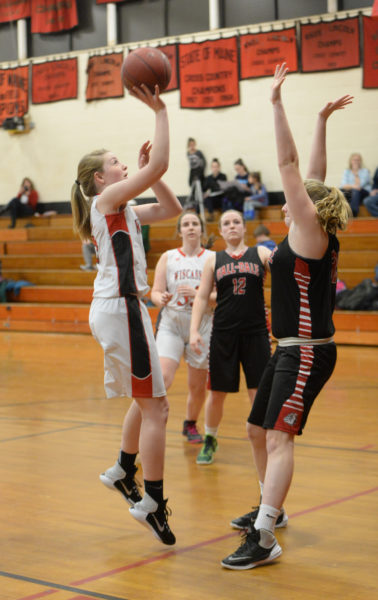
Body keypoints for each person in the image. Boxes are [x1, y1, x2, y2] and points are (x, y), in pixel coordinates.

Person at [221, 64, 352, 570]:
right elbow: (313, 172)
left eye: (296, 198)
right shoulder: (311, 229)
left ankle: (265, 535)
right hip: (289, 349)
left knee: (279, 436)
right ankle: (268, 506)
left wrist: (275, 103)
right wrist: (321, 118)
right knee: (258, 429)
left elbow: (291, 163)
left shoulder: (310, 234)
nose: (289, 199)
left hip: (307, 352)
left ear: (306, 209)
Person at [70, 83, 182, 546]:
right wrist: (159, 109)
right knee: (157, 407)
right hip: (122, 308)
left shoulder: (124, 207)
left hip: (122, 309)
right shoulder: (106, 202)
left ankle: (122, 468)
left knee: (147, 401)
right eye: (116, 163)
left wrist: (147, 173)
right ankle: (151, 497)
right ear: (101, 178)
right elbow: (159, 162)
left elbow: (174, 208)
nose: (122, 166)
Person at [190, 209, 272, 465]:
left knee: (258, 392)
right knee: (217, 393)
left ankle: (264, 438)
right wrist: (193, 330)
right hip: (224, 333)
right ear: (222, 231)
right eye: (227, 223)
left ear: (245, 227)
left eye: (237, 221)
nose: (232, 226)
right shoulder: (214, 260)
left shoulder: (260, 253)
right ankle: (210, 439)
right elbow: (202, 297)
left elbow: (285, 272)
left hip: (256, 333)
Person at [151, 210, 215, 444]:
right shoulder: (168, 257)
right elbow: (155, 292)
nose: (190, 227)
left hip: (202, 324)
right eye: (185, 224)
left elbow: (221, 296)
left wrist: (200, 294)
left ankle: (190, 423)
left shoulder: (212, 257)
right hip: (172, 323)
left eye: (194, 224)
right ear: (179, 231)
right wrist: (161, 298)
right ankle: (151, 419)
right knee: (163, 377)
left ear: (201, 230)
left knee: (197, 386)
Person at [340, 152, 371, 217]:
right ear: (351, 161)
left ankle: (353, 213)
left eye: (358, 160)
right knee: (339, 191)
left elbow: (359, 186)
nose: (356, 161)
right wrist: (352, 186)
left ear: (360, 161)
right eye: (354, 160)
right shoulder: (347, 171)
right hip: (351, 192)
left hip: (363, 192)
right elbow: (344, 185)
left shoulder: (365, 171)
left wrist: (356, 173)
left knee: (355, 191)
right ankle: (340, 213)